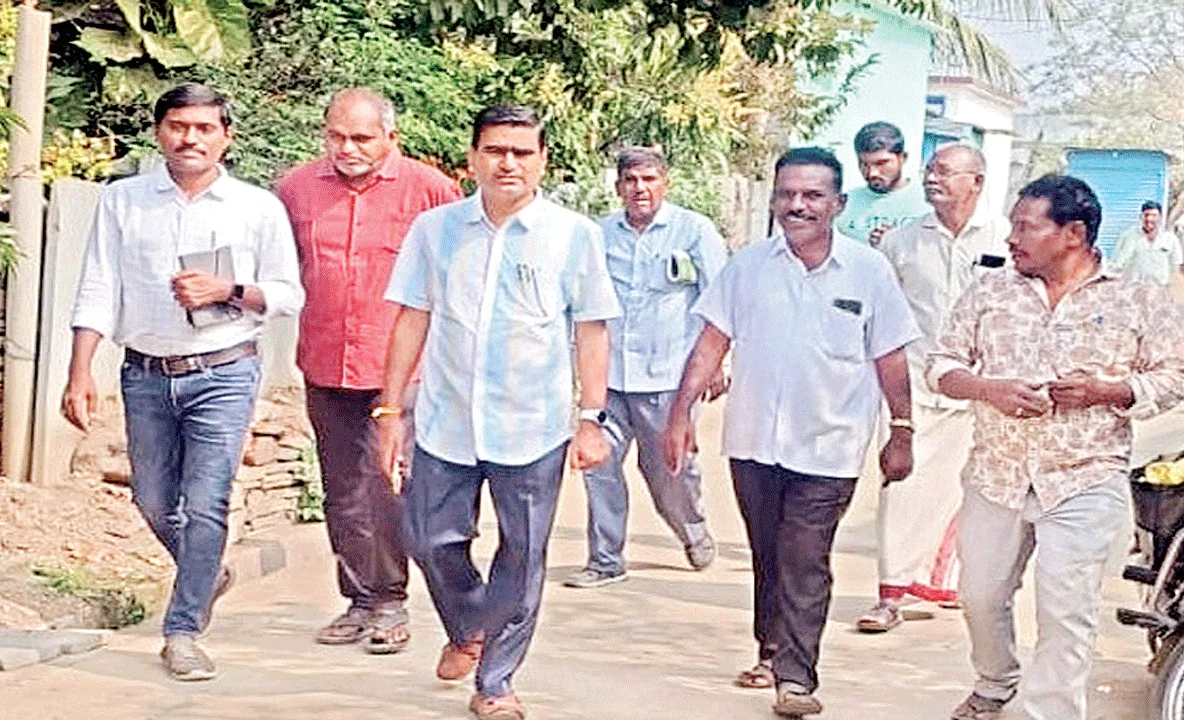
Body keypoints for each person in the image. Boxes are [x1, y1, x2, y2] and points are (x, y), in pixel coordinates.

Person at [376, 105, 621, 720]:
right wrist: (390, 411)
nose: (507, 163)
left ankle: (496, 682)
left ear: (542, 161)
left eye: (521, 152)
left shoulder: (573, 235)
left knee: (523, 552)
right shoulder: (435, 230)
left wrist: (591, 417)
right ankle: (469, 626)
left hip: (533, 426)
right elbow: (411, 318)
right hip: (447, 421)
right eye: (494, 150)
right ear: (473, 159)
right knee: (429, 539)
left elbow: (591, 329)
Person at [664, 146, 920, 717]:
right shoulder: (747, 267)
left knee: (805, 556)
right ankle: (771, 650)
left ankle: (797, 678)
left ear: (838, 203)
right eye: (787, 194)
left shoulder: (869, 271)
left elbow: (891, 356)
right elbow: (711, 343)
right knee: (768, 553)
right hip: (754, 441)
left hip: (830, 445)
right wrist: (680, 414)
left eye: (812, 195)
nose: (797, 205)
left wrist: (902, 428)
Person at [62, 83, 305, 681]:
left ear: (226, 137)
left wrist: (229, 290)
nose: (189, 138)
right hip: (145, 372)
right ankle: (206, 570)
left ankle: (183, 630)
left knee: (206, 502)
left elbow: (289, 293)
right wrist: (79, 370)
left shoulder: (256, 207)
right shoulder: (124, 200)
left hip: (224, 370)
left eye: (203, 128)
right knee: (151, 498)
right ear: (159, 132)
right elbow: (98, 285)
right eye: (177, 126)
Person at [928, 175, 1184, 720]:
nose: (1011, 238)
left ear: (1073, 234)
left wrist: (1109, 391)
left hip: (1085, 476)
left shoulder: (1137, 297)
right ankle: (995, 681)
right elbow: (941, 366)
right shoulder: (991, 290)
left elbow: (1176, 375)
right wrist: (988, 389)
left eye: (1026, 227)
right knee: (979, 596)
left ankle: (1049, 712)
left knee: (1066, 612)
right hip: (997, 475)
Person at [274, 88, 462, 654]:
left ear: (390, 138)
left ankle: (393, 601)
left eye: (361, 138)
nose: (347, 148)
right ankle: (361, 600)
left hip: (405, 371)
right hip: (326, 361)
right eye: (336, 136)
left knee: (389, 486)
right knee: (342, 491)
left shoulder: (431, 191)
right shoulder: (295, 190)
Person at [857, 143, 1011, 633]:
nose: (931, 178)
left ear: (976, 182)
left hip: (986, 389)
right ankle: (890, 594)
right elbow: (880, 315)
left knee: (974, 491)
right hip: (916, 387)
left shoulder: (1008, 240)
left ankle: (948, 581)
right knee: (901, 486)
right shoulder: (901, 242)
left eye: (944, 171)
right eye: (929, 170)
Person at [564, 146, 728, 589]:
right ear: (618, 187)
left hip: (668, 379)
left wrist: (716, 363)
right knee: (599, 466)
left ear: (664, 184)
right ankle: (605, 560)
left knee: (669, 472)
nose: (640, 188)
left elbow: (721, 300)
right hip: (609, 379)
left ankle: (692, 529)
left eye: (650, 179)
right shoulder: (598, 235)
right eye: (631, 180)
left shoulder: (693, 231)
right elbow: (579, 301)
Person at [835, 121, 931, 246]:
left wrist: (897, 245)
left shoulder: (929, 203)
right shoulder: (843, 204)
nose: (872, 173)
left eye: (881, 163)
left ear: (903, 158)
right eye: (865, 164)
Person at [1111, 200, 1182, 286]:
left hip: (1159, 289)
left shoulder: (1170, 239)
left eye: (1154, 215)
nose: (1149, 219)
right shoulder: (1127, 236)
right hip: (1132, 289)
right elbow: (1117, 263)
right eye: (1146, 215)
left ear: (1160, 217)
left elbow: (1176, 266)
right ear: (1141, 217)